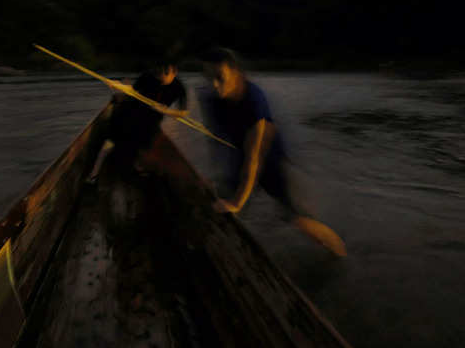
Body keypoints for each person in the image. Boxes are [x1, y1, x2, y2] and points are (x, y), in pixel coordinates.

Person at [199, 47, 347, 256]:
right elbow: (216, 141)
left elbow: (255, 158)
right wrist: (214, 176)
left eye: (219, 77)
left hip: (269, 161)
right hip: (241, 158)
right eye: (208, 78)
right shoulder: (212, 100)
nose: (214, 85)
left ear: (236, 72)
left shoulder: (254, 99)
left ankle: (340, 253)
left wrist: (238, 202)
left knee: (295, 218)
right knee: (221, 204)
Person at [106, 61, 188, 166]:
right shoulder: (148, 76)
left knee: (144, 142)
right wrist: (119, 85)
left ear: (174, 73)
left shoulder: (179, 87)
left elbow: (183, 112)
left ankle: (133, 160)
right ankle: (111, 144)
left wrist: (164, 111)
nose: (161, 76)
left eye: (166, 73)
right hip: (135, 109)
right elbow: (132, 90)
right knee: (121, 124)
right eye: (159, 72)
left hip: (154, 117)